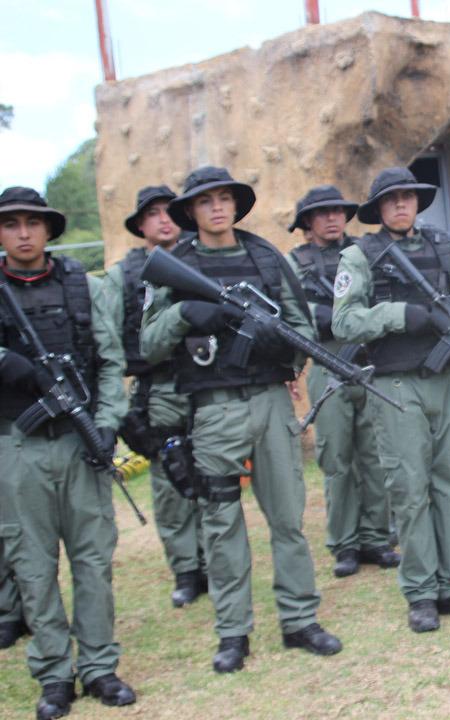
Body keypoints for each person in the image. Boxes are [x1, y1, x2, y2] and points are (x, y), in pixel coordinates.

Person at [141, 167, 341, 673]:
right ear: (191, 211)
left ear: (236, 205)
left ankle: (300, 619)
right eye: (206, 201)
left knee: (288, 519)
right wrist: (184, 315)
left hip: (271, 401)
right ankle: (233, 632)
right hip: (214, 408)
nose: (217, 208)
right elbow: (148, 344)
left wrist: (282, 346)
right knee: (222, 523)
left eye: (225, 198)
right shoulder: (175, 265)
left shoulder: (266, 256)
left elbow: (301, 328)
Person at [332, 167, 450, 633]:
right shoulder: (360, 256)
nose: (401, 204)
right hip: (397, 385)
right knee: (409, 489)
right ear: (379, 208)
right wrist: (400, 315)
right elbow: (344, 322)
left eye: (408, 196)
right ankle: (421, 592)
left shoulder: (447, 248)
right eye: (391, 198)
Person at [0, 187, 136, 718]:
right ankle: (55, 674)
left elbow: (110, 362)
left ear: (48, 230)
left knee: (93, 560)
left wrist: (106, 426)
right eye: (12, 224)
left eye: (33, 223)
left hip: (81, 443)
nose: (23, 233)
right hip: (18, 445)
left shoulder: (84, 287)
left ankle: (100, 666)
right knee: (33, 565)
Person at [285, 185, 399, 577]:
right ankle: (345, 543)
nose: (332, 218)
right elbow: (292, 314)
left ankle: (376, 537)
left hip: (369, 362)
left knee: (375, 454)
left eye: (337, 211)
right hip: (327, 361)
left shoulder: (366, 253)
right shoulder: (295, 264)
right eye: (322, 213)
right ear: (307, 221)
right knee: (336, 457)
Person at [103, 185, 208, 608]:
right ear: (140, 225)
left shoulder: (201, 259)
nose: (164, 220)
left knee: (213, 474)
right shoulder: (123, 275)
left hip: (206, 382)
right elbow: (108, 342)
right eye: (153, 214)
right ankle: (187, 570)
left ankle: (216, 562)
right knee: (171, 481)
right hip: (158, 387)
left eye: (169, 211)